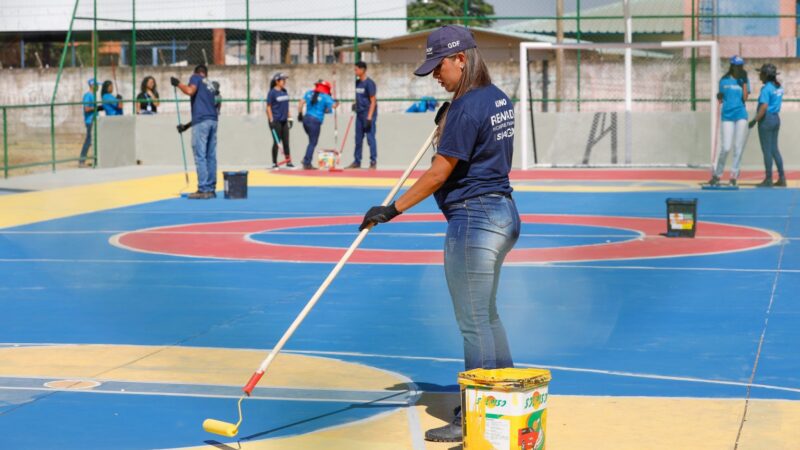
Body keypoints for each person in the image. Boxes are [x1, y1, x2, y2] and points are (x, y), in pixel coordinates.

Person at [359, 25, 520, 443]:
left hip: (475, 218)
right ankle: (501, 399)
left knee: (473, 323)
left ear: (461, 59)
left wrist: (391, 209)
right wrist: (448, 121)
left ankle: (478, 417)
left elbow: (439, 172)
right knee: (487, 316)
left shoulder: (465, 108)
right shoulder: (496, 98)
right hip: (502, 212)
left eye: (439, 66)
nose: (435, 76)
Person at [171, 65, 220, 199]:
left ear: (197, 73)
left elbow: (190, 91)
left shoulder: (196, 77)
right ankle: (211, 189)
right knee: (211, 156)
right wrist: (186, 127)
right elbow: (206, 110)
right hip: (213, 121)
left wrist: (178, 84)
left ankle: (203, 189)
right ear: (206, 73)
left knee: (200, 155)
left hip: (202, 123)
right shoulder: (210, 86)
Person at [708, 56, 750, 187]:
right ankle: (717, 174)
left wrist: (743, 83)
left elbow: (745, 98)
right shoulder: (724, 80)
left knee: (738, 147)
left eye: (741, 65)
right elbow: (720, 96)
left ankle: (733, 176)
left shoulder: (744, 80)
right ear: (732, 66)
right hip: (727, 116)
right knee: (726, 147)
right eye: (737, 66)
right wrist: (719, 96)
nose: (739, 68)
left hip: (741, 115)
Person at [749, 63, 786, 187]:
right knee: (775, 149)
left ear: (766, 75)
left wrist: (754, 120)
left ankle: (768, 179)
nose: (760, 75)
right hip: (776, 118)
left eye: (761, 73)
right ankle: (782, 177)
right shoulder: (779, 87)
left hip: (766, 120)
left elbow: (764, 106)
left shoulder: (766, 89)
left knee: (767, 151)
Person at [297, 80, 338, 170]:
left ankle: (306, 159)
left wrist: (300, 114)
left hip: (306, 119)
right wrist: (336, 103)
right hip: (315, 122)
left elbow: (300, 103)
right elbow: (333, 106)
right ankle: (307, 162)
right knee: (313, 142)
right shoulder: (326, 97)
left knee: (311, 141)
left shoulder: (309, 93)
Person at [347, 61, 378, 169]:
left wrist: (369, 116)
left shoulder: (369, 83)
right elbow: (359, 97)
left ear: (362, 69)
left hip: (368, 114)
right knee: (358, 139)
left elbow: (373, 101)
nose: (355, 71)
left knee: (370, 138)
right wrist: (355, 105)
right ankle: (357, 161)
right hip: (359, 114)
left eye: (356, 69)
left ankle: (373, 161)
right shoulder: (357, 82)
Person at [266, 72, 294, 168]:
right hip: (276, 121)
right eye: (282, 80)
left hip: (284, 121)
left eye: (285, 80)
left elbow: (286, 106)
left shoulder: (284, 91)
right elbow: (268, 107)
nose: (284, 81)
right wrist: (271, 120)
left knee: (286, 142)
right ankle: (274, 162)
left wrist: (290, 118)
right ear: (277, 81)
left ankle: (288, 161)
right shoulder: (272, 93)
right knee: (277, 142)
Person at [79, 78, 101, 167]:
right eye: (97, 85)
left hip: (95, 120)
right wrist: (96, 108)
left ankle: (96, 159)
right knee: (88, 140)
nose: (98, 87)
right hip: (90, 121)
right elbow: (86, 108)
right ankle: (81, 161)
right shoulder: (88, 96)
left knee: (94, 140)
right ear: (92, 85)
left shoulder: (93, 95)